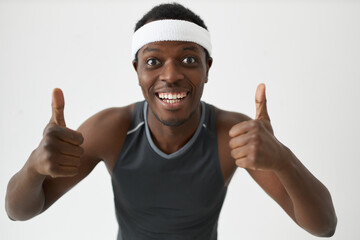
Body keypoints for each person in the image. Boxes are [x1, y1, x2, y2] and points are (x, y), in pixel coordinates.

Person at [5, 3, 337, 239]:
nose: (171, 75)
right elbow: (18, 211)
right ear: (136, 70)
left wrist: (282, 158)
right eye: (153, 61)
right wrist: (35, 165)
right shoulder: (112, 130)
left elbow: (324, 226)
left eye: (189, 59)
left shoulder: (230, 134)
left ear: (208, 68)